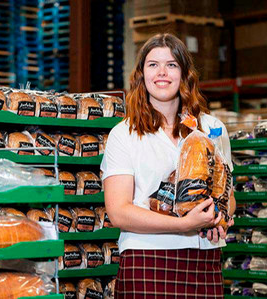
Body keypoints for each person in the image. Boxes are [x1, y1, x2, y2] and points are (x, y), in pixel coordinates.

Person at [101, 33, 236, 298]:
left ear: (185, 74)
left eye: (172, 64)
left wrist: (221, 217)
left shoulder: (212, 129)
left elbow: (228, 194)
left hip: (204, 261)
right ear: (141, 75)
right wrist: (184, 225)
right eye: (153, 65)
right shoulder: (124, 133)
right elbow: (118, 212)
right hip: (146, 260)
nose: (162, 72)